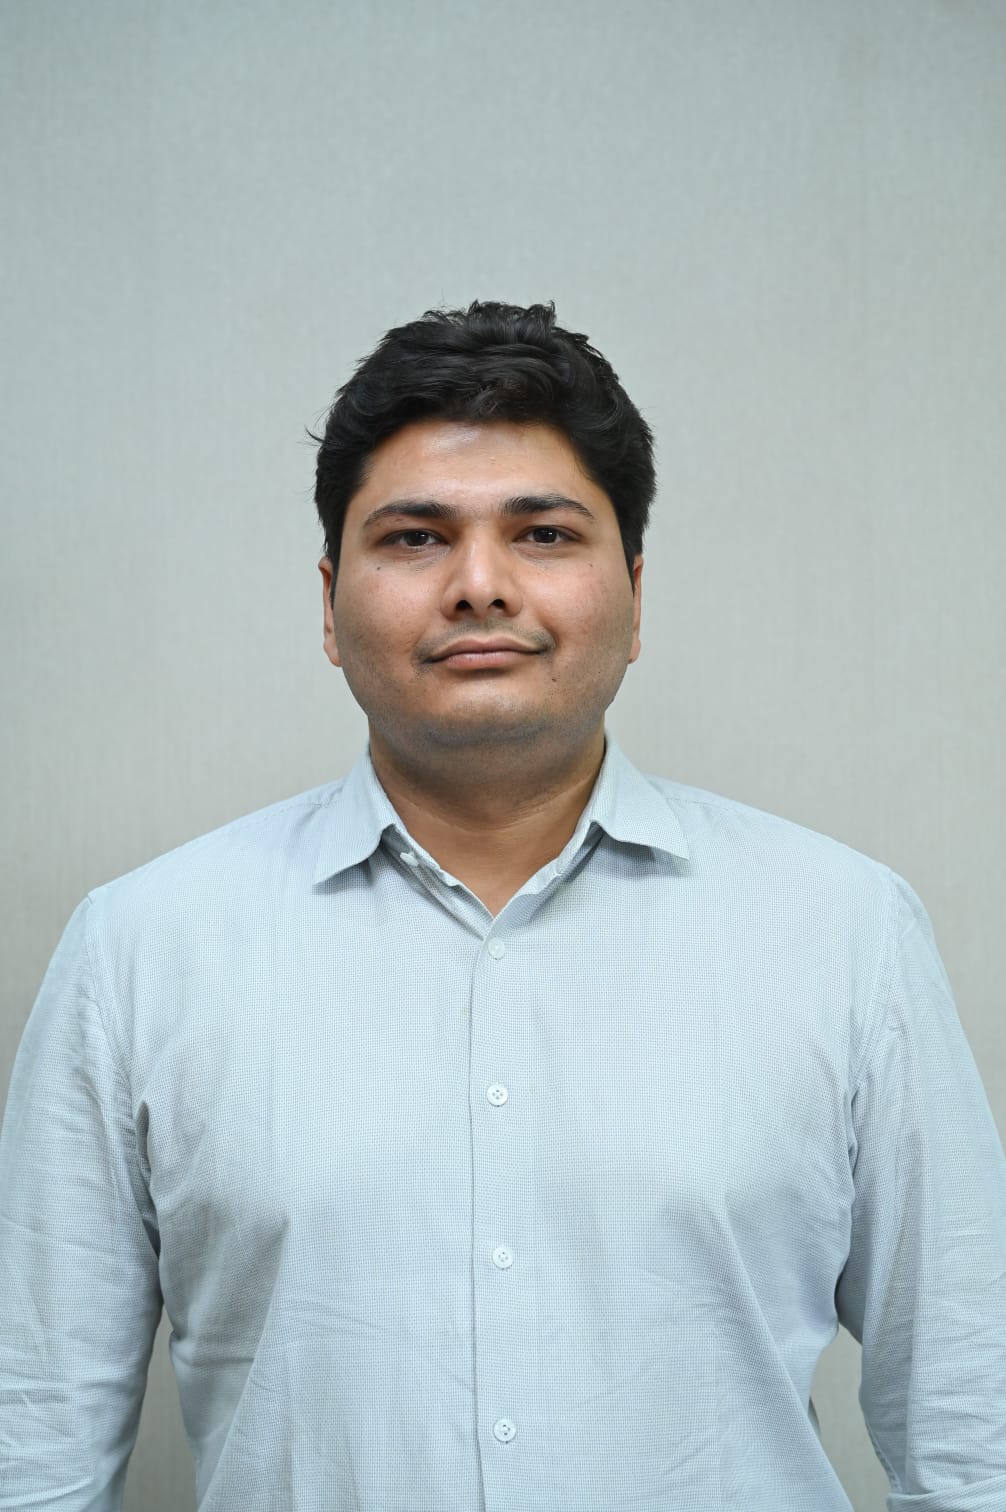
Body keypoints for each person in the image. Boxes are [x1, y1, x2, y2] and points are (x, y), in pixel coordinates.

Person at [1, 301, 1004, 1512]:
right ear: (329, 604)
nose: (479, 585)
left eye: (542, 534)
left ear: (633, 594)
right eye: (416, 538)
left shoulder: (842, 933)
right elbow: (33, 1453)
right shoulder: (142, 951)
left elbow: (972, 1435)